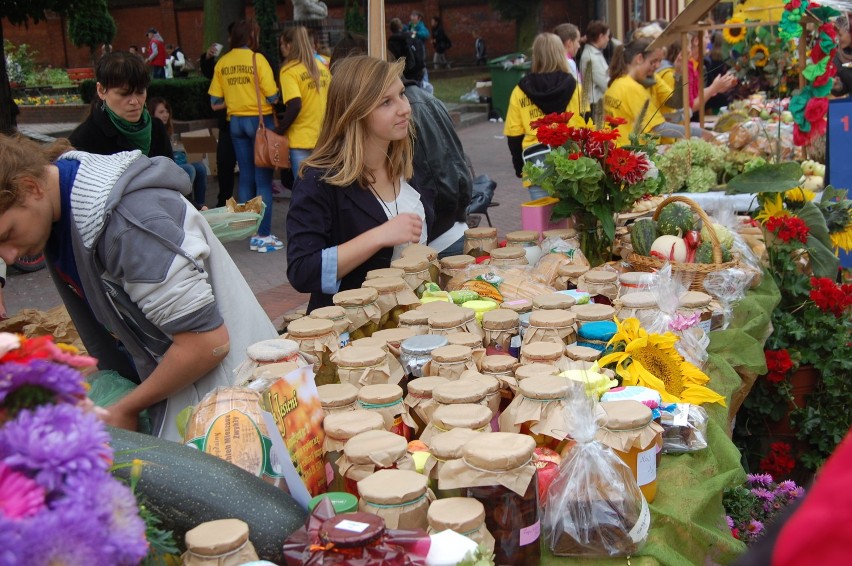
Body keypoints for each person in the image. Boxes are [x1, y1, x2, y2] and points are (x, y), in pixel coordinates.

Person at [0, 133, 278, 441]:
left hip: (234, 404)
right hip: (199, 399)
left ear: (30, 186)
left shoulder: (126, 224)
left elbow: (206, 342)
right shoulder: (55, 208)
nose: (9, 256)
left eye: (8, 234)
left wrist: (125, 407)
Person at [286, 56, 430, 313]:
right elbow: (302, 271)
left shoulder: (404, 165)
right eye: (387, 102)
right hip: (350, 337)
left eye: (402, 94)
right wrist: (378, 236)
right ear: (356, 112)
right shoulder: (319, 180)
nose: (404, 108)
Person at [208, 19, 282, 253]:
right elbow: (272, 97)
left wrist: (235, 98)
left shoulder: (223, 62)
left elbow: (214, 102)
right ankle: (263, 235)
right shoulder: (257, 59)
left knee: (247, 176)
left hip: (235, 123)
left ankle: (248, 230)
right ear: (251, 36)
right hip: (259, 122)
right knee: (263, 180)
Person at [504, 33, 585, 200]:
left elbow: (514, 134)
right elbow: (584, 125)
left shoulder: (519, 91)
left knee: (541, 222)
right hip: (571, 161)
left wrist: (519, 167)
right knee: (573, 220)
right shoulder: (575, 87)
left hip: (536, 162)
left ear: (536, 56)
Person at [68, 52, 173, 160]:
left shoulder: (156, 128)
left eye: (140, 92)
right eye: (124, 94)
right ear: (101, 91)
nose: (134, 101)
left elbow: (172, 174)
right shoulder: (83, 141)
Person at [276, 25, 331, 177]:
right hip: (324, 137)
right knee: (325, 188)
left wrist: (279, 131)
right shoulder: (323, 65)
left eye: (282, 44)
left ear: (289, 45)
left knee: (303, 190)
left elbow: (295, 104)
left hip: (300, 140)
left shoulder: (289, 71)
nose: (281, 48)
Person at [148, 97, 207, 208]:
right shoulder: (153, 129)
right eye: (161, 112)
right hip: (165, 166)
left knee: (200, 167)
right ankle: (189, 204)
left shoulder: (168, 129)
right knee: (189, 169)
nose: (165, 115)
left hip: (176, 161)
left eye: (167, 111)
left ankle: (201, 204)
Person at [200, 39, 237, 207]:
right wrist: (207, 58)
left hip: (241, 118)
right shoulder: (224, 64)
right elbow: (210, 73)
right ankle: (224, 199)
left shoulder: (254, 59)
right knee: (224, 162)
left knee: (239, 163)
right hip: (227, 122)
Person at [578, 21, 611, 108]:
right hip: (595, 104)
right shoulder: (591, 57)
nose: (608, 39)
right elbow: (605, 83)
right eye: (607, 36)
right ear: (600, 37)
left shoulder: (595, 53)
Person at [388, 18, 425, 84]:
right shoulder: (410, 37)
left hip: (404, 71)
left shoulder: (392, 42)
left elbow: (393, 58)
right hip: (417, 69)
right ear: (401, 27)